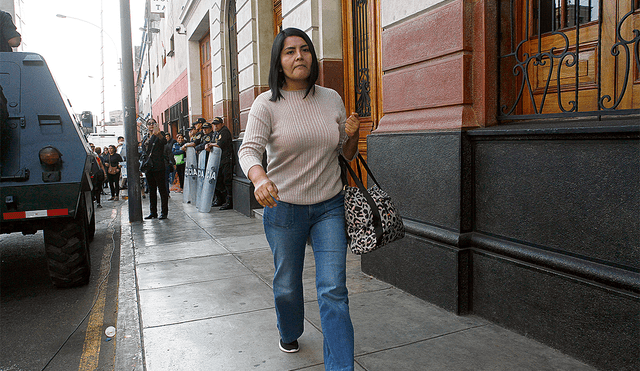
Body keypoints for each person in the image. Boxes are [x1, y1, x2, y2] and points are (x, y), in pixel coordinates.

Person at [238, 27, 360, 370]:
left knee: (334, 289)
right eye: (289, 51)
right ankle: (289, 329)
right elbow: (249, 150)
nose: (299, 56)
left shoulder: (331, 98)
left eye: (304, 49)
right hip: (284, 208)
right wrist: (259, 178)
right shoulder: (267, 104)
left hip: (329, 207)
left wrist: (352, 137)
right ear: (279, 62)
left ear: (313, 57)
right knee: (287, 286)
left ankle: (340, 367)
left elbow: (345, 154)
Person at [141, 119, 169, 219]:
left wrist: (158, 134)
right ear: (147, 126)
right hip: (149, 167)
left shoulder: (159, 134)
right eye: (149, 123)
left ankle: (164, 212)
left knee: (162, 190)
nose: (151, 125)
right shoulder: (145, 137)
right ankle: (153, 212)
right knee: (151, 190)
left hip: (158, 166)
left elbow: (164, 142)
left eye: (153, 123)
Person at [209, 116, 234, 210]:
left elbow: (220, 144)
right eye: (214, 125)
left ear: (221, 124)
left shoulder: (224, 132)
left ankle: (229, 201)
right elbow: (213, 142)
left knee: (227, 180)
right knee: (219, 179)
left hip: (227, 159)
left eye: (217, 124)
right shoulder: (216, 133)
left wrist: (211, 145)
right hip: (219, 160)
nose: (215, 126)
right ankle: (221, 199)